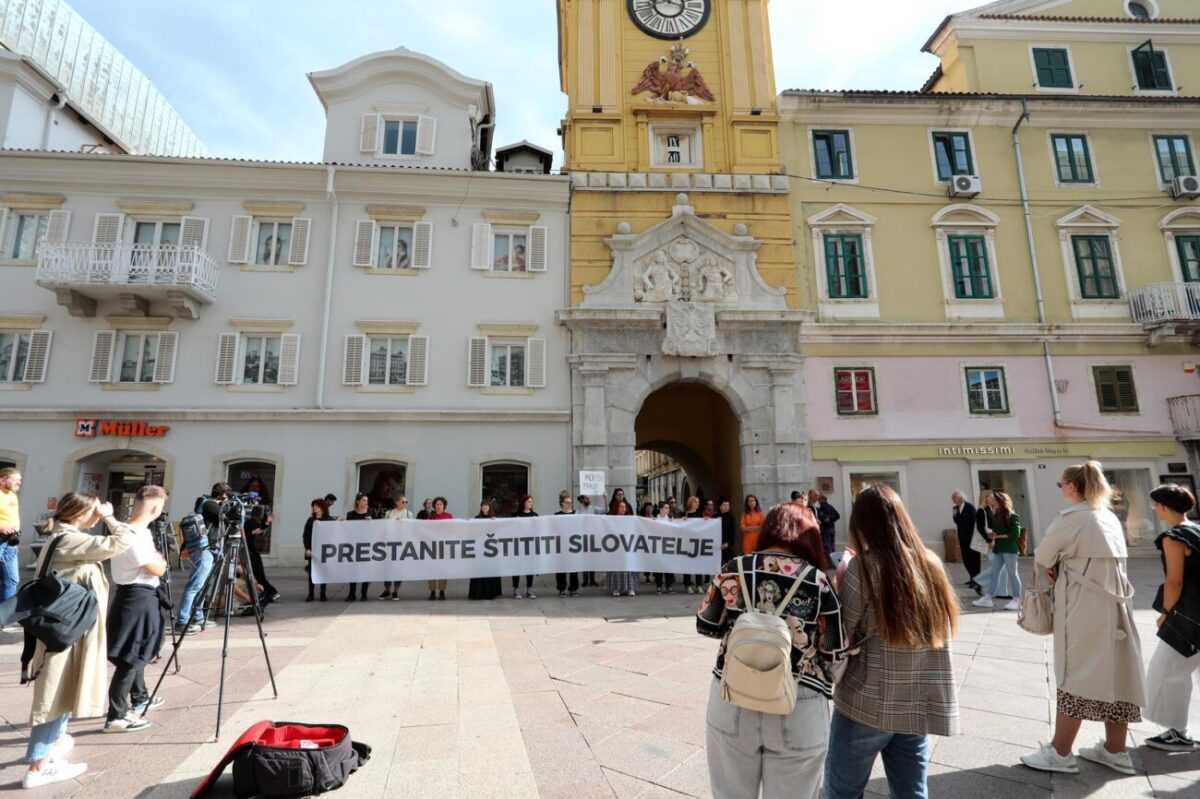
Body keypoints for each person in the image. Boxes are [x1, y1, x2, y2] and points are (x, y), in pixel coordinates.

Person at [697, 502, 845, 799]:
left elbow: (707, 623)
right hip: (799, 700)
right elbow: (833, 648)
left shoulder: (733, 569)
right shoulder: (818, 581)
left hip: (734, 694)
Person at [825, 485, 959, 798]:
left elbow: (841, 634)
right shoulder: (931, 563)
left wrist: (837, 587)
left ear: (862, 525)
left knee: (842, 790)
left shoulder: (862, 567)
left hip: (867, 701)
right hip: (917, 700)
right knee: (912, 791)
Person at [1020, 462, 1145, 776]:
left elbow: (1044, 556)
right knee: (1119, 674)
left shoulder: (1071, 519)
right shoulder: (1109, 517)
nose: (1061, 489)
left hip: (1082, 605)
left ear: (1073, 487)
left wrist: (1059, 565)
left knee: (1075, 671)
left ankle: (1060, 753)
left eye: (1061, 484)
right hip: (1116, 607)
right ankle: (1115, 750)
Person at [22, 493, 136, 788]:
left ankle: (51, 749)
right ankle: (37, 767)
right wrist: (111, 516)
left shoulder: (65, 536)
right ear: (80, 514)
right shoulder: (69, 540)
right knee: (54, 692)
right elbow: (123, 541)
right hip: (65, 631)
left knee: (62, 689)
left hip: (67, 628)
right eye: (94, 513)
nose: (97, 517)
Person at [104, 485, 170, 733]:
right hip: (137, 596)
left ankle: (140, 697)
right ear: (155, 507)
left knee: (138, 651)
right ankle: (117, 715)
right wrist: (161, 563)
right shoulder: (136, 534)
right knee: (132, 655)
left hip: (134, 595)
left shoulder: (126, 529)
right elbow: (156, 567)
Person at [1142, 483, 1200, 751]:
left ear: (1163, 507)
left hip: (1187, 616)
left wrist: (1165, 613)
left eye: (1156, 505)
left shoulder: (1173, 537)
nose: (1155, 509)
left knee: (1168, 672)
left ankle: (1178, 733)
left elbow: (1173, 581)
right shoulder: (1197, 529)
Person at [174, 483, 228, 635]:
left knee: (201, 585)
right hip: (204, 549)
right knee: (194, 586)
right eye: (227, 495)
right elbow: (226, 517)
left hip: (205, 549)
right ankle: (182, 622)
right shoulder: (210, 505)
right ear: (222, 494)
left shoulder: (204, 504)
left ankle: (198, 617)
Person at [972, 491, 1022, 611]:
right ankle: (987, 598)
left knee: (1012, 574)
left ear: (1000, 501)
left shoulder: (1013, 515)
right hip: (998, 548)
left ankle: (1017, 599)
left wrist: (997, 536)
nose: (992, 502)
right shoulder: (996, 514)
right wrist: (993, 534)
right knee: (994, 573)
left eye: (994, 500)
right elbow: (998, 531)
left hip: (1009, 548)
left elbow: (1015, 534)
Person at [468, 500, 504, 600]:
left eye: (486, 506)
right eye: (483, 506)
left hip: (490, 550)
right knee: (479, 570)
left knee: (490, 570)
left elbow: (498, 532)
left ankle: (490, 593)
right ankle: (478, 593)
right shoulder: (476, 519)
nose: (484, 507)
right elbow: (472, 531)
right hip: (479, 549)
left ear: (489, 507)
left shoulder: (494, 519)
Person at [381, 495, 413, 599]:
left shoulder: (409, 514)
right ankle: (387, 590)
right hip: (389, 543)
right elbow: (383, 527)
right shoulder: (389, 513)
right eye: (403, 502)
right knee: (387, 568)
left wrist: (402, 524)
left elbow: (412, 528)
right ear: (397, 502)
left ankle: (395, 591)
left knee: (399, 568)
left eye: (406, 502)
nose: (405, 504)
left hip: (402, 544)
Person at [244, 510, 279, 603]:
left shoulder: (253, 522)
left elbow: (259, 531)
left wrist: (267, 523)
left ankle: (271, 592)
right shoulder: (250, 522)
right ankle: (269, 592)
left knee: (259, 575)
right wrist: (267, 523)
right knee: (257, 575)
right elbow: (257, 531)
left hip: (251, 551)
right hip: (249, 552)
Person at [0, 467, 23, 608]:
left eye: (20, 481)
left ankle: (5, 616)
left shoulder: (12, 496)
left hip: (10, 542)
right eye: (16, 480)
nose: (19, 483)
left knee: (12, 580)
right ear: (2, 480)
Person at [951, 491, 982, 594]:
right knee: (965, 558)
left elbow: (975, 521)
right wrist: (955, 515)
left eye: (954, 497)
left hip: (972, 537)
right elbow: (957, 522)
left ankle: (976, 579)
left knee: (973, 559)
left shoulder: (969, 507)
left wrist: (975, 536)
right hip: (962, 537)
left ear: (960, 498)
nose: (953, 500)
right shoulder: (955, 508)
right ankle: (971, 577)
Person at [343, 494, 372, 602]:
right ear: (358, 502)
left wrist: (372, 523)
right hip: (353, 546)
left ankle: (364, 594)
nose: (366, 503)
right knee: (353, 571)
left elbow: (378, 527)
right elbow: (347, 530)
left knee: (365, 571)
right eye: (364, 500)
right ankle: (352, 593)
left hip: (367, 546)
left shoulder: (371, 513)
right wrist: (341, 523)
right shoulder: (350, 515)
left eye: (367, 501)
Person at [606, 499, 638, 597]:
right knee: (616, 568)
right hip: (615, 548)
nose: (624, 509)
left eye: (625, 507)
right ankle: (616, 588)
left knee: (628, 566)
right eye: (621, 506)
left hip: (627, 546)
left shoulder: (630, 519)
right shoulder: (611, 519)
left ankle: (630, 587)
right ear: (617, 508)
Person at [303, 498, 330, 602]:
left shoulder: (328, 520)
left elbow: (334, 532)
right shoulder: (310, 521)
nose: (314, 508)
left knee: (323, 572)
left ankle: (323, 593)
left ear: (322, 508)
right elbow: (305, 536)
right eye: (313, 506)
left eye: (316, 506)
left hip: (324, 551)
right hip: (312, 550)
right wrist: (307, 548)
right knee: (312, 572)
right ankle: (311, 594)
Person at [512, 494, 538, 599]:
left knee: (530, 567)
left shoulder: (535, 515)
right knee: (517, 567)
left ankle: (529, 589)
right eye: (529, 501)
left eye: (531, 501)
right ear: (524, 503)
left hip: (530, 545)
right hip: (518, 545)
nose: (531, 503)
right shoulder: (516, 515)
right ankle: (515, 589)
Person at [555, 493, 580, 598]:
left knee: (573, 568)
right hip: (561, 544)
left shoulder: (575, 514)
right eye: (567, 502)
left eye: (570, 502)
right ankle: (561, 588)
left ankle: (573, 588)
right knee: (561, 568)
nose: (569, 504)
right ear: (562, 503)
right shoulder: (557, 515)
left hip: (573, 545)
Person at [428, 497, 451, 600]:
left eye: (440, 504)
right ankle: (432, 591)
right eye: (437, 504)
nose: (438, 506)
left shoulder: (449, 516)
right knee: (432, 569)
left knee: (443, 569)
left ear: (444, 506)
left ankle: (442, 591)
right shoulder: (430, 517)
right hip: (432, 547)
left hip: (444, 547)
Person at [808, 489, 841, 561]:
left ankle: (830, 562)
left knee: (827, 546)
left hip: (826, 529)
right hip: (832, 528)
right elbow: (837, 515)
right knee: (832, 545)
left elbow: (821, 518)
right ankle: (834, 561)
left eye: (818, 498)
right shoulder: (830, 506)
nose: (817, 499)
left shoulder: (821, 508)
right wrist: (831, 519)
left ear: (821, 500)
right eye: (815, 496)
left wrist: (826, 520)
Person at [682, 496, 706, 593]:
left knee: (698, 564)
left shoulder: (701, 514)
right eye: (695, 502)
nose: (697, 503)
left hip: (697, 541)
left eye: (698, 502)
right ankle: (687, 585)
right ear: (690, 503)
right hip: (687, 542)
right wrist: (682, 520)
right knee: (687, 564)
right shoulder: (685, 514)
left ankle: (699, 585)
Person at [577, 494, 600, 587]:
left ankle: (592, 579)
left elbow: (606, 510)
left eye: (589, 498)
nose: (589, 500)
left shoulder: (593, 509)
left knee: (592, 559)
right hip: (583, 537)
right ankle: (585, 580)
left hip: (592, 536)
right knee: (585, 559)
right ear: (582, 500)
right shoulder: (578, 511)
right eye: (587, 498)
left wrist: (605, 498)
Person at [654, 502, 676, 594]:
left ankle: (669, 586)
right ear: (661, 509)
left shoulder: (671, 519)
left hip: (668, 545)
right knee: (659, 567)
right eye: (666, 508)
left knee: (668, 567)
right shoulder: (655, 519)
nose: (668, 509)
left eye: (668, 508)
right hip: (658, 546)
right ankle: (659, 586)